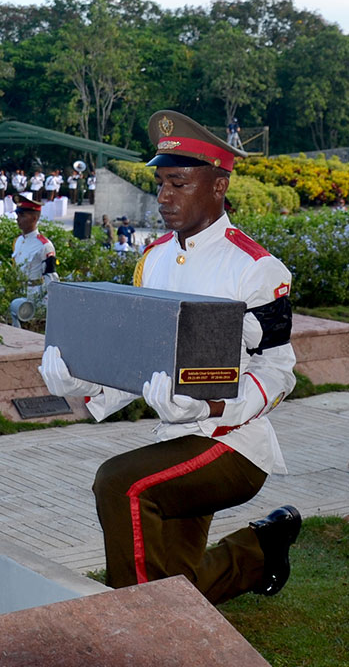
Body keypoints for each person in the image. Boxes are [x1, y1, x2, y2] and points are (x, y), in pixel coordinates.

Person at [40, 110, 301, 605]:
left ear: (219, 184)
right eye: (161, 183)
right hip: (175, 438)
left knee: (121, 485)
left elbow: (278, 370)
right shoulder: (155, 257)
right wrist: (85, 383)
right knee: (177, 589)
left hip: (232, 443)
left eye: (178, 183)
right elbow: (141, 358)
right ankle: (261, 550)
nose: (163, 197)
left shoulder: (255, 267)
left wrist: (212, 406)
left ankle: (139, 626)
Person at [11, 194, 58, 300]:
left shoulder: (44, 245)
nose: (18, 219)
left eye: (22, 216)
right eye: (18, 215)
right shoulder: (18, 241)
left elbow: (51, 278)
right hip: (17, 292)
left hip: (34, 295)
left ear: (34, 218)